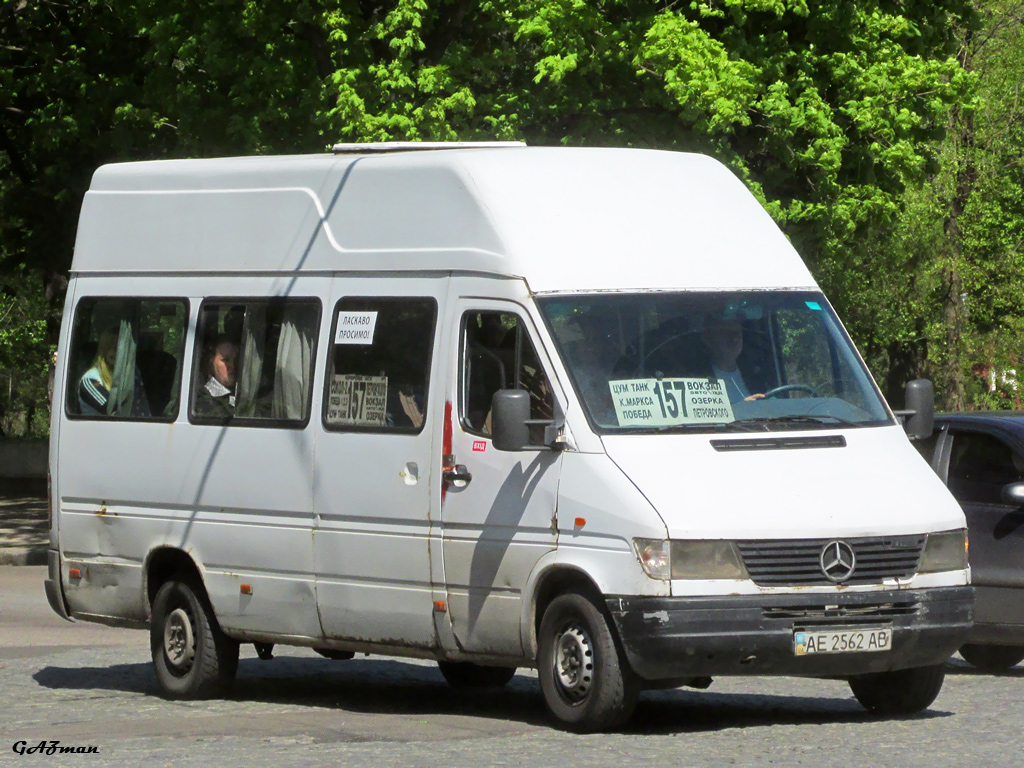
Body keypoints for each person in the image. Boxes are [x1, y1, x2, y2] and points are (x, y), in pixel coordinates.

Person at [700, 316, 764, 402]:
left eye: (737, 333)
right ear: (708, 339)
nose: (734, 339)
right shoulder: (699, 379)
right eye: (726, 333)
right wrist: (744, 408)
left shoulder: (753, 374)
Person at [195, 336, 239, 417]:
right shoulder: (201, 401)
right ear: (211, 364)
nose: (232, 365)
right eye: (226, 360)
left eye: (236, 360)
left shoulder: (248, 394)